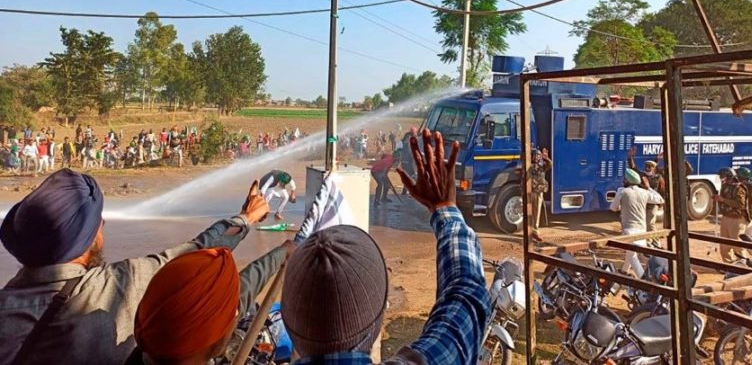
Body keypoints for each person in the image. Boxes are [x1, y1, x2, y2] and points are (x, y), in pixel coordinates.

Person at [0, 169, 271, 365]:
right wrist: (245, 218)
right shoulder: (114, 287)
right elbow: (193, 252)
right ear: (91, 236)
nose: (103, 226)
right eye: (98, 223)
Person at [281, 129, 490, 364]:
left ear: (286, 321)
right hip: (380, 177)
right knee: (381, 188)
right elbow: (466, 295)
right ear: (378, 324)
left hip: (379, 175)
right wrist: (444, 208)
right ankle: (381, 197)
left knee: (382, 189)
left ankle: (381, 197)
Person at [125, 241, 295, 365]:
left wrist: (280, 254)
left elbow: (239, 294)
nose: (237, 313)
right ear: (212, 336)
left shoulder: (153, 344)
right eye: (232, 313)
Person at [610, 168, 664, 277]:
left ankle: (643, 279)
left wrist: (621, 204)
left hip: (628, 230)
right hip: (641, 230)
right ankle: (624, 271)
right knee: (631, 253)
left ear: (627, 180)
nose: (623, 180)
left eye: (624, 179)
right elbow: (660, 199)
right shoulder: (644, 192)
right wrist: (649, 188)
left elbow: (613, 208)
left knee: (632, 256)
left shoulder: (622, 191)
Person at [715, 167, 749, 262]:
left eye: (723, 177)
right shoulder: (725, 186)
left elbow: (740, 204)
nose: (722, 179)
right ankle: (728, 265)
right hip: (726, 217)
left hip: (737, 219)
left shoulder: (739, 188)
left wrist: (723, 200)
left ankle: (742, 265)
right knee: (724, 244)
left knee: (737, 244)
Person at [628, 147, 666, 233]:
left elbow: (662, 190)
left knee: (650, 224)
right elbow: (633, 168)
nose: (647, 168)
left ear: (654, 169)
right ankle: (647, 241)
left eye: (650, 166)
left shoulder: (658, 178)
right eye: (646, 166)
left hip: (652, 204)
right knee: (642, 223)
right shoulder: (642, 175)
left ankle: (656, 243)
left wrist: (660, 203)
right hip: (643, 203)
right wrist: (630, 158)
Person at [530, 148, 552, 243]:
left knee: (536, 212)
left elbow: (550, 165)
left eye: (538, 155)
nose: (537, 157)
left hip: (538, 191)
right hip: (529, 191)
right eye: (535, 155)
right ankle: (529, 231)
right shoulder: (529, 165)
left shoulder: (542, 165)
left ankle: (535, 231)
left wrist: (546, 158)